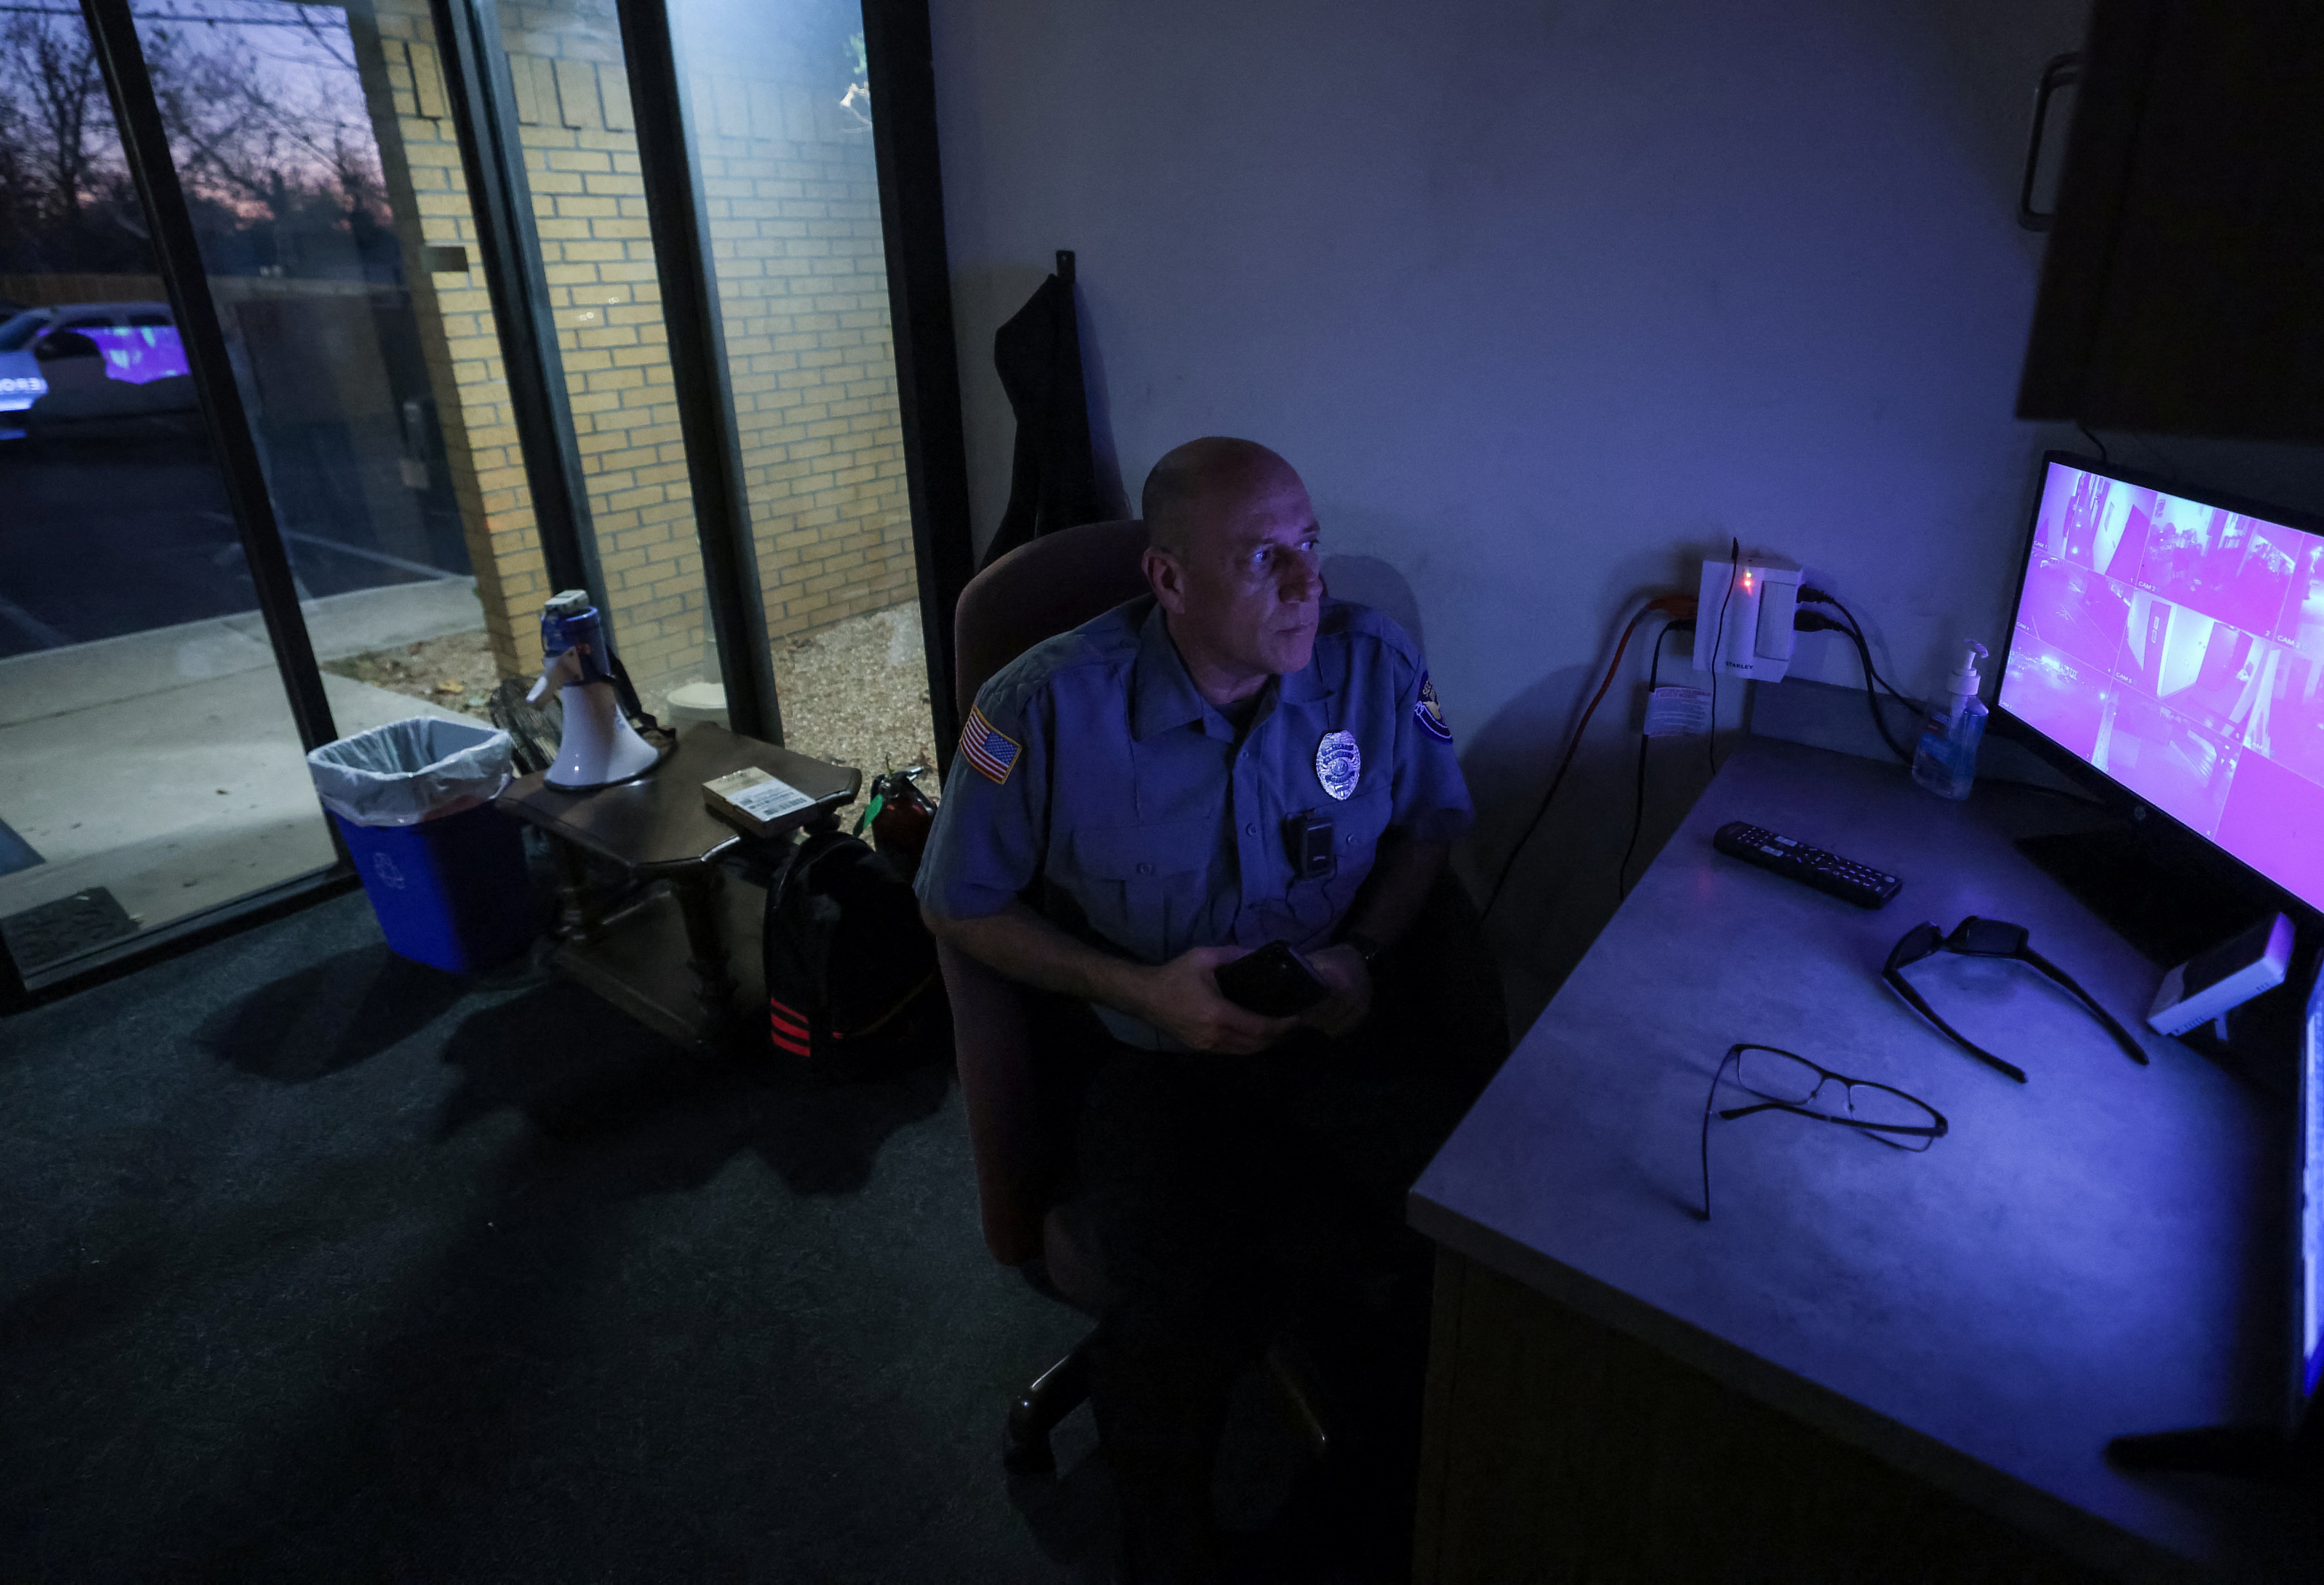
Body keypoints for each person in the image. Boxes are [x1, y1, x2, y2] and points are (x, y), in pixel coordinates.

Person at [917, 437, 1491, 1583]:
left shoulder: (1370, 668)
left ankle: (1377, 1525)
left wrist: (1364, 955)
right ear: (1168, 582)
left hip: (1333, 1029)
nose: (1306, 583)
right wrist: (1136, 989)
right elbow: (955, 902)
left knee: (1459, 1252)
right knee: (1184, 1309)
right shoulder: (1043, 708)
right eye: (1264, 559)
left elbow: (1429, 826)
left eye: (1310, 546)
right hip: (1155, 1053)